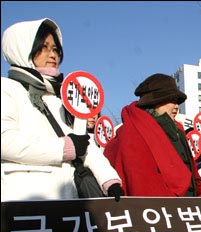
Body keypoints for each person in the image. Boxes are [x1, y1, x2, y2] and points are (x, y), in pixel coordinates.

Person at [1, 18, 123, 201]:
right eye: (43, 47)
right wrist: (63, 148)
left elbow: (83, 143)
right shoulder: (7, 88)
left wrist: (109, 179)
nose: (52, 55)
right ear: (23, 49)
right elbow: (5, 140)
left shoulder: (59, 97)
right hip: (24, 200)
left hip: (67, 201)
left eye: (55, 49)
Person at [103, 73, 201, 197]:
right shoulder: (132, 133)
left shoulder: (177, 130)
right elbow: (141, 185)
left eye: (177, 101)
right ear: (155, 102)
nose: (176, 106)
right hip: (161, 210)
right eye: (172, 100)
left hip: (189, 207)